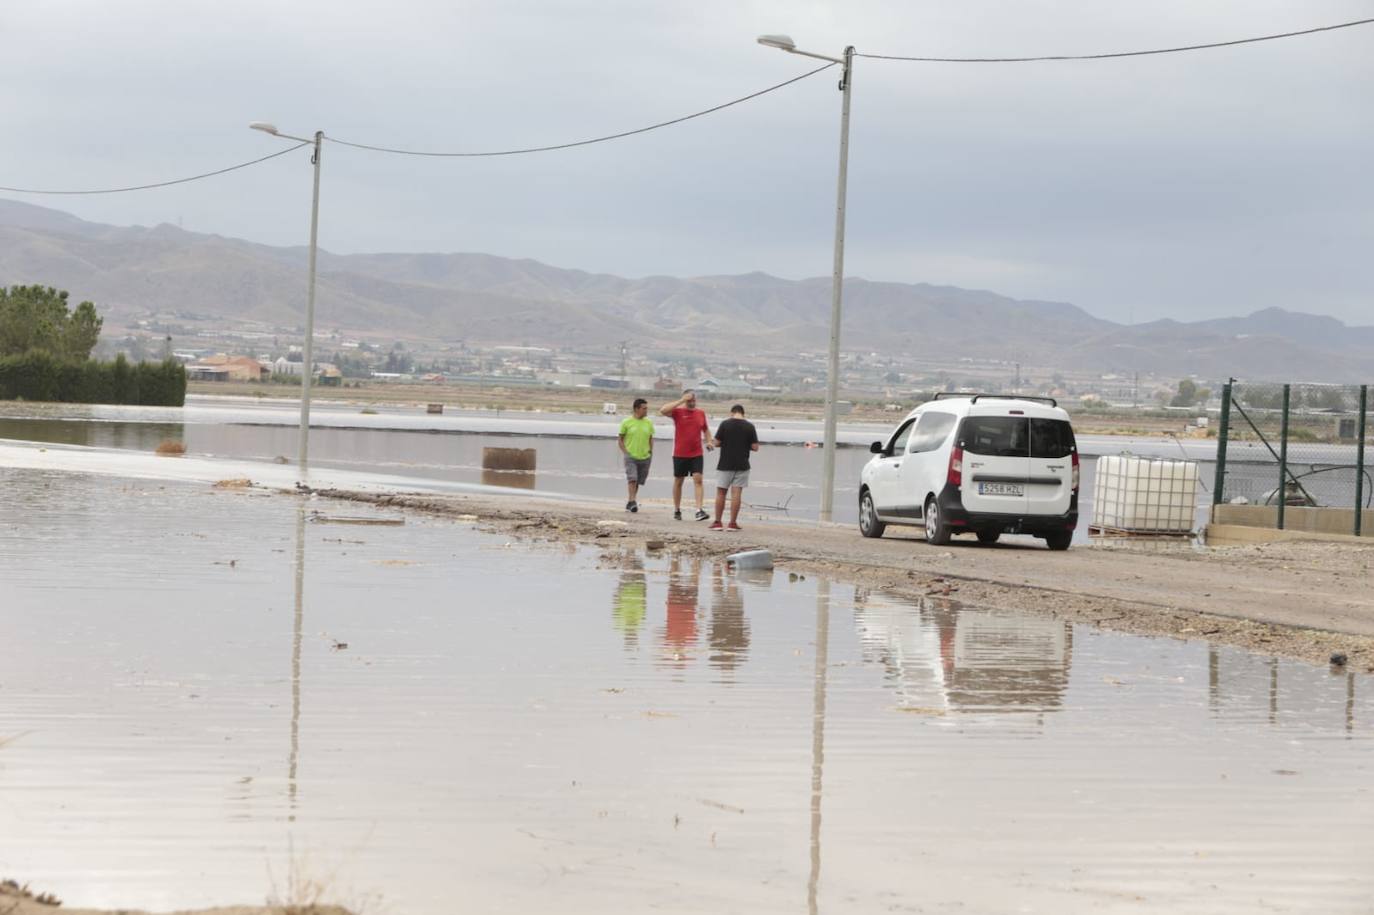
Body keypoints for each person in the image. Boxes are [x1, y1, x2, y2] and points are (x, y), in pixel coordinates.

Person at [659, 389, 712, 521]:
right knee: (679, 481)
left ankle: (699, 510)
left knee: (698, 479)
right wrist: (682, 400)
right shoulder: (677, 412)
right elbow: (663, 410)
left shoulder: (700, 413)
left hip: (696, 453)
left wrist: (709, 441)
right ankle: (677, 509)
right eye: (689, 400)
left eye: (694, 400)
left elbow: (706, 429)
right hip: (680, 453)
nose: (692, 403)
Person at [709, 404, 759, 532]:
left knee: (721, 493)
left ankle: (718, 522)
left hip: (725, 464)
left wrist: (723, 442)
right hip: (742, 465)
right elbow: (755, 447)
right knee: (736, 494)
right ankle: (732, 523)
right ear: (743, 413)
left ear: (732, 412)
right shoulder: (750, 426)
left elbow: (717, 442)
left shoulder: (725, 424)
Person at [617, 398, 654, 513]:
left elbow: (651, 438)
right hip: (631, 456)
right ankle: (633, 502)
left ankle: (630, 501)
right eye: (644, 408)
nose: (646, 410)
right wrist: (626, 452)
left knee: (638, 481)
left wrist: (650, 452)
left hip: (644, 457)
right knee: (632, 478)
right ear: (636, 409)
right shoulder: (626, 422)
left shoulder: (649, 423)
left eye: (647, 408)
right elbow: (620, 439)